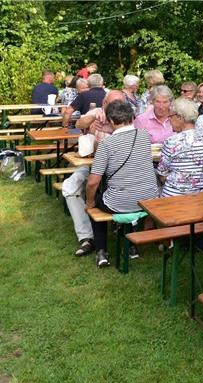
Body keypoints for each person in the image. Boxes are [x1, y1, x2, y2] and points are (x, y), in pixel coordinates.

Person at [85, 101, 159, 267]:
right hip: (149, 198)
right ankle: (131, 246)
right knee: (129, 189)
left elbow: (93, 182)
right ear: (131, 117)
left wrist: (89, 203)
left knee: (95, 201)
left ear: (111, 120)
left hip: (121, 202)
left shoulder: (106, 144)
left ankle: (101, 251)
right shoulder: (144, 135)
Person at [64, 90, 125, 258]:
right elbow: (78, 124)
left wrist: (111, 129)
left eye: (119, 104)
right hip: (92, 166)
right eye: (112, 104)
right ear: (104, 103)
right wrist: (91, 118)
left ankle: (122, 229)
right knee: (70, 187)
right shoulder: (97, 112)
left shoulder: (127, 118)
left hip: (119, 170)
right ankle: (87, 236)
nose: (116, 107)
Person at [157, 98, 203, 197]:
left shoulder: (171, 141)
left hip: (174, 198)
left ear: (179, 117)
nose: (169, 120)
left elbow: (162, 176)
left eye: (170, 116)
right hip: (202, 197)